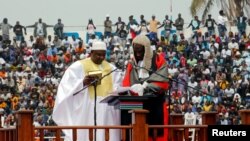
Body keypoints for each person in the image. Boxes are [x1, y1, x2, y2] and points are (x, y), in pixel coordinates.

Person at [52, 41, 122, 141]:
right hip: (86, 110)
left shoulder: (112, 68)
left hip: (106, 111)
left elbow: (118, 86)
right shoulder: (78, 66)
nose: (101, 57)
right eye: (98, 55)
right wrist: (82, 82)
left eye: (103, 55)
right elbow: (66, 85)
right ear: (91, 53)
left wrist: (115, 90)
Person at [122, 35, 169, 141]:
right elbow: (126, 82)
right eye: (136, 51)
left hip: (155, 102)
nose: (138, 54)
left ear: (146, 49)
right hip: (136, 104)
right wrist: (130, 89)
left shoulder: (158, 59)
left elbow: (163, 82)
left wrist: (145, 87)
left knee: (156, 134)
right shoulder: (132, 63)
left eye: (140, 51)